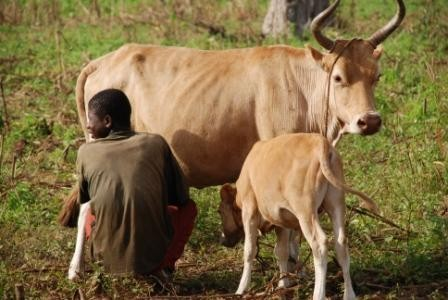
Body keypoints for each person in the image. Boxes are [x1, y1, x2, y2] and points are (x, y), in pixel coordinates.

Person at [76, 88, 197, 276]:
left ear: (107, 121)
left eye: (90, 119)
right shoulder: (156, 143)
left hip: (102, 263)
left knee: (90, 209)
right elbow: (180, 198)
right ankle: (164, 267)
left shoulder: (85, 152)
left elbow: (86, 202)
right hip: (153, 262)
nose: (88, 126)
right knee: (189, 208)